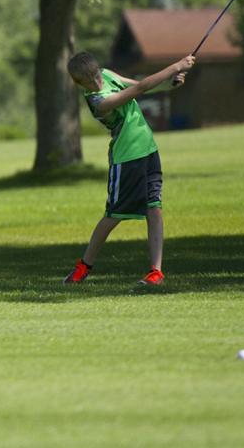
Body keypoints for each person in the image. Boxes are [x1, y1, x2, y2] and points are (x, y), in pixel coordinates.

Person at [63, 50, 196, 288]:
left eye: (96, 76)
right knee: (114, 215)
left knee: (154, 208)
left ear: (98, 69)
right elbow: (139, 89)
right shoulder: (98, 101)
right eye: (89, 81)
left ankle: (156, 272)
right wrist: (176, 66)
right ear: (78, 84)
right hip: (126, 158)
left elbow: (140, 86)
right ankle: (83, 266)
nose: (96, 82)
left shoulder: (106, 75)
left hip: (148, 149)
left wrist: (168, 85)